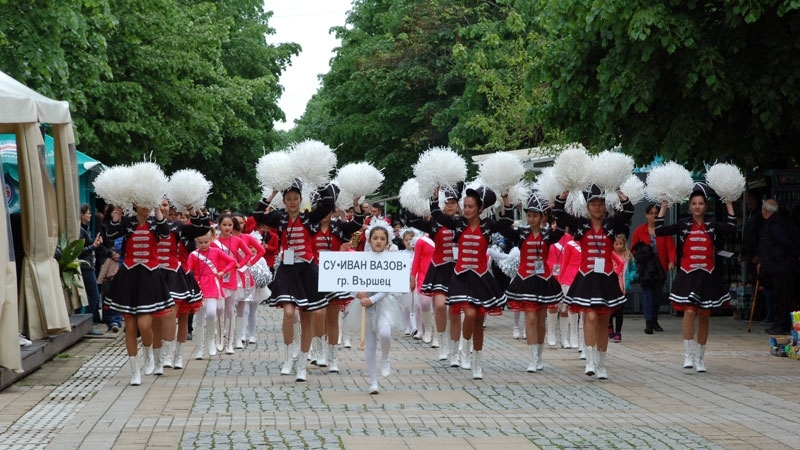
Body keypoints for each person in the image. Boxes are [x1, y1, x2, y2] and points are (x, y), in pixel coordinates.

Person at [252, 180, 337, 382]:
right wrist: (271, 193)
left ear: (301, 200)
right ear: (284, 201)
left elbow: (327, 204)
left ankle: (302, 365)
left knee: (306, 316)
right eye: (288, 199)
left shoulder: (309, 218)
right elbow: (257, 216)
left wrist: (319, 179)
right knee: (289, 312)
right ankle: (288, 357)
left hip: (307, 269)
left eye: (295, 199)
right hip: (287, 270)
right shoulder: (279, 218)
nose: (292, 202)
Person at [430, 185, 513, 379]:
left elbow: (508, 219)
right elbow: (436, 214)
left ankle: (476, 362)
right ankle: (464, 349)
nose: (466, 209)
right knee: (468, 312)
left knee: (477, 320)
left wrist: (505, 197)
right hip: (460, 276)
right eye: (465, 206)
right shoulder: (458, 223)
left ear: (479, 208)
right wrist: (434, 196)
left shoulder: (488, 225)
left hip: (481, 277)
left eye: (470, 206)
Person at [553, 184, 633, 379]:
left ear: (605, 205)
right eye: (593, 204)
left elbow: (629, 211)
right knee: (589, 317)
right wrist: (563, 193)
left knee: (603, 320)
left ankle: (602, 363)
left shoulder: (612, 224)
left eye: (601, 203)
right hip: (587, 278)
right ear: (587, 206)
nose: (597, 207)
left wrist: (618, 191)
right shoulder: (581, 224)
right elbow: (559, 213)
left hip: (606, 277)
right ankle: (589, 360)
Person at [656, 183, 736, 372]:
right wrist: (664, 206)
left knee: (704, 314)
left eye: (701, 203)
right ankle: (688, 356)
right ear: (689, 206)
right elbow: (659, 230)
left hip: (707, 275)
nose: (697, 207)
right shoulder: (684, 223)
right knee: (689, 311)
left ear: (705, 206)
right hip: (688, 275)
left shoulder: (712, 224)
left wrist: (729, 203)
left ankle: (701, 358)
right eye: (694, 204)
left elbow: (732, 227)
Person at [104, 204, 173, 385]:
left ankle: (148, 351)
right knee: (130, 325)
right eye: (143, 203)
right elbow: (110, 235)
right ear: (135, 205)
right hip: (129, 276)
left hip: (150, 277)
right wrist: (116, 216)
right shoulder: (127, 221)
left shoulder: (154, 222)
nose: (146, 207)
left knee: (145, 324)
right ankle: (135, 371)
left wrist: (158, 211)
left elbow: (165, 234)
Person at [504, 194, 563, 372]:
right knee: (529, 317)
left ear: (542, 216)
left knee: (540, 321)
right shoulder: (521, 233)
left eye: (535, 215)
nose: (531, 219)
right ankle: (531, 358)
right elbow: (503, 228)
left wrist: (559, 201)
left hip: (543, 280)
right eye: (529, 215)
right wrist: (506, 203)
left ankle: (539, 355)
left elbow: (561, 231)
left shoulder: (548, 234)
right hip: (525, 280)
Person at [344, 222, 403, 394]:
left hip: (384, 304)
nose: (378, 241)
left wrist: (373, 298)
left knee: (384, 333)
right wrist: (358, 293)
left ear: (388, 242)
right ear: (369, 240)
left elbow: (388, 285)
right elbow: (349, 280)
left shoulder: (391, 260)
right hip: (364, 305)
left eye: (382, 239)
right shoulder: (361, 259)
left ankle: (385, 358)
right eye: (375, 238)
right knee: (369, 343)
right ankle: (373, 381)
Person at [413, 185, 460, 363]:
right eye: (446, 203)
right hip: (439, 268)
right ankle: (442, 343)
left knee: (455, 310)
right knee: (440, 306)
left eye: (453, 203)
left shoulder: (463, 221)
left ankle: (456, 343)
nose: (450, 206)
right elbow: (415, 222)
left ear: (458, 204)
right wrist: (417, 205)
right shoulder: (436, 222)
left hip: (457, 270)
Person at [185, 230, 237, 360]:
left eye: (206, 242)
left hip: (212, 284)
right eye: (200, 242)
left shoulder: (216, 251)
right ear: (196, 242)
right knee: (200, 318)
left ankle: (211, 341)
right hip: (198, 286)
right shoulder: (193, 254)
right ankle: (200, 349)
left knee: (212, 312)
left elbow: (232, 261)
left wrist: (222, 272)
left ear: (211, 240)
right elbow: (188, 271)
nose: (203, 245)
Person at [631, 204, 676, 334]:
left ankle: (655, 319)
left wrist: (672, 261)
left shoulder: (664, 231)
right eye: (651, 213)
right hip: (645, 267)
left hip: (660, 266)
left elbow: (671, 247)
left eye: (656, 213)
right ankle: (648, 322)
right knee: (647, 295)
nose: (654, 216)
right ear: (646, 215)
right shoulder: (640, 230)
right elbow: (634, 247)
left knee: (657, 296)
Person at [758, 199, 800, 335]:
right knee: (781, 296)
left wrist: (792, 255)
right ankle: (779, 323)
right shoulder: (780, 221)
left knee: (783, 297)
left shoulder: (775, 224)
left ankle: (782, 325)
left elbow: (783, 242)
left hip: (782, 266)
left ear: (765, 211)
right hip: (780, 266)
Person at [231, 213, 266, 349]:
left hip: (246, 276)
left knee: (249, 308)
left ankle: (250, 334)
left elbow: (261, 251)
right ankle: (239, 334)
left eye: (240, 222)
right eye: (235, 222)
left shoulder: (247, 237)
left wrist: (251, 263)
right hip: (233, 275)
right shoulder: (228, 239)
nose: (238, 225)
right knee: (235, 307)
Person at [79, 204, 104, 335]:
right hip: (85, 267)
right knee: (93, 295)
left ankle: (85, 325)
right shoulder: (80, 231)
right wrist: (93, 246)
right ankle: (87, 325)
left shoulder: (85, 229)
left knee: (89, 296)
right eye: (88, 213)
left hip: (88, 265)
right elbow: (78, 251)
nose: (90, 215)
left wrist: (95, 244)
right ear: (82, 215)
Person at [610, 234, 632, 343]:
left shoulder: (627, 256)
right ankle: (610, 326)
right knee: (609, 310)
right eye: (616, 244)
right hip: (610, 286)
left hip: (623, 286)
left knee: (620, 311)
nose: (619, 246)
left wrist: (630, 278)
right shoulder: (609, 255)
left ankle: (618, 332)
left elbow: (633, 269)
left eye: (621, 244)